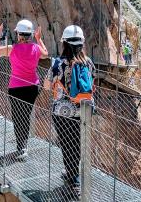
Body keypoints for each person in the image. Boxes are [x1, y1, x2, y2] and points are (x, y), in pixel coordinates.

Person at [45, 24, 94, 189]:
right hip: (82, 109)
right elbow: (92, 84)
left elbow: (46, 85)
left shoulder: (58, 63)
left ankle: (72, 175)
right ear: (82, 43)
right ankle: (74, 173)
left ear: (64, 43)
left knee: (66, 143)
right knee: (76, 142)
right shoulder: (88, 63)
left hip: (61, 111)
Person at [0, 19, 49, 160]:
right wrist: (39, 39)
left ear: (18, 34)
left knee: (18, 117)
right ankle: (23, 144)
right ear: (30, 35)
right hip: (33, 87)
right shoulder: (36, 48)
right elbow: (46, 54)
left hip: (16, 87)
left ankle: (21, 146)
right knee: (26, 114)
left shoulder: (13, 48)